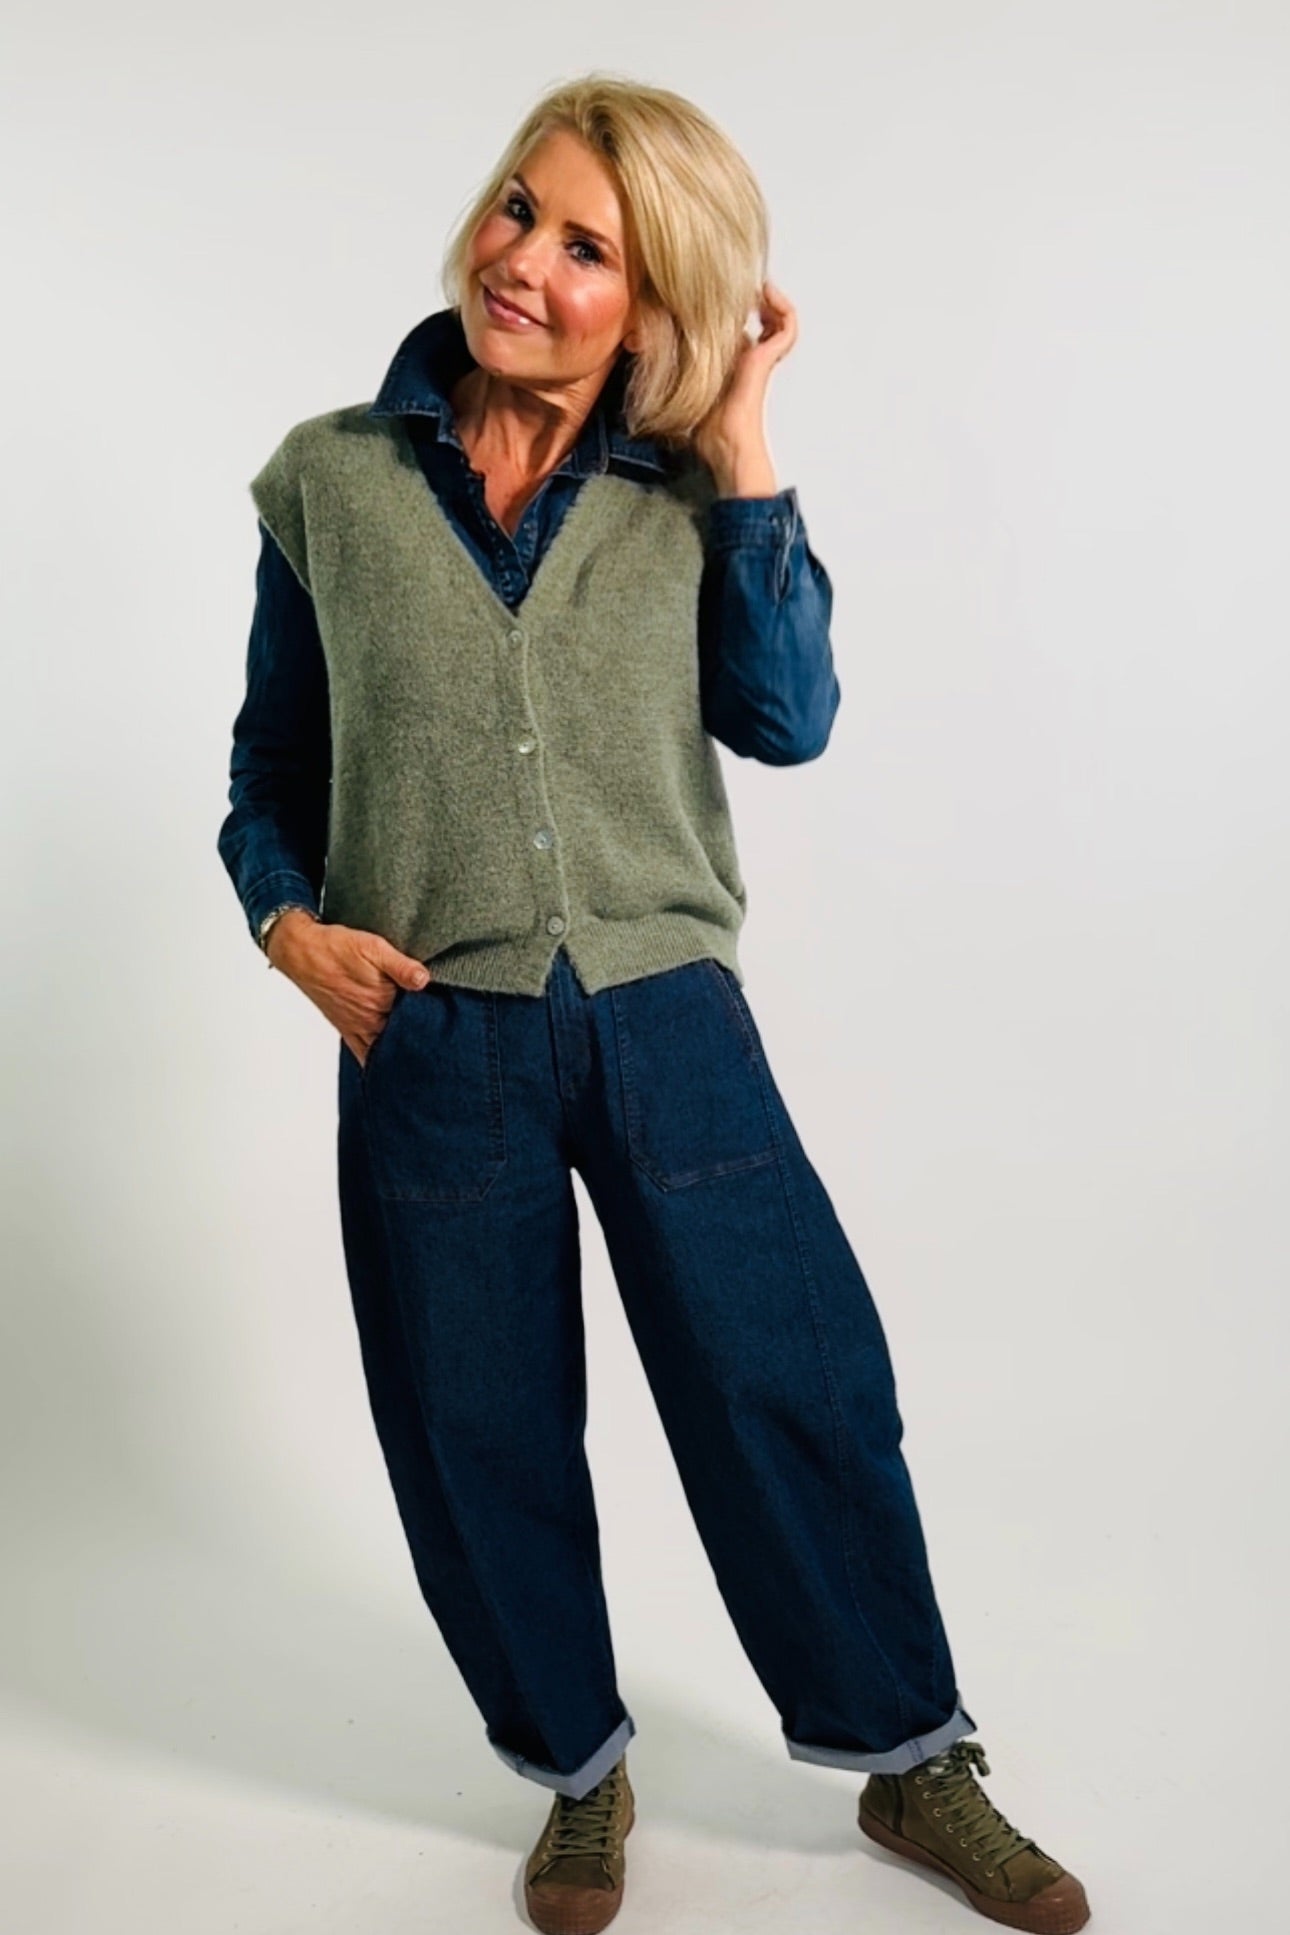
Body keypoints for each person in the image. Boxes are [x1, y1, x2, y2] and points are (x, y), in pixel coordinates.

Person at [218, 72, 1091, 1935]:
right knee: (473, 1421)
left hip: (666, 1013)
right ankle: (575, 1772)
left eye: (587, 248)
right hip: (431, 1031)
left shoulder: (689, 492)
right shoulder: (328, 481)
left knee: (791, 1380)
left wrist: (747, 433)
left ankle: (911, 1759)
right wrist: (286, 924)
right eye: (516, 209)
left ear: (653, 301)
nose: (521, 261)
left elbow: (787, 718)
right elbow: (269, 767)